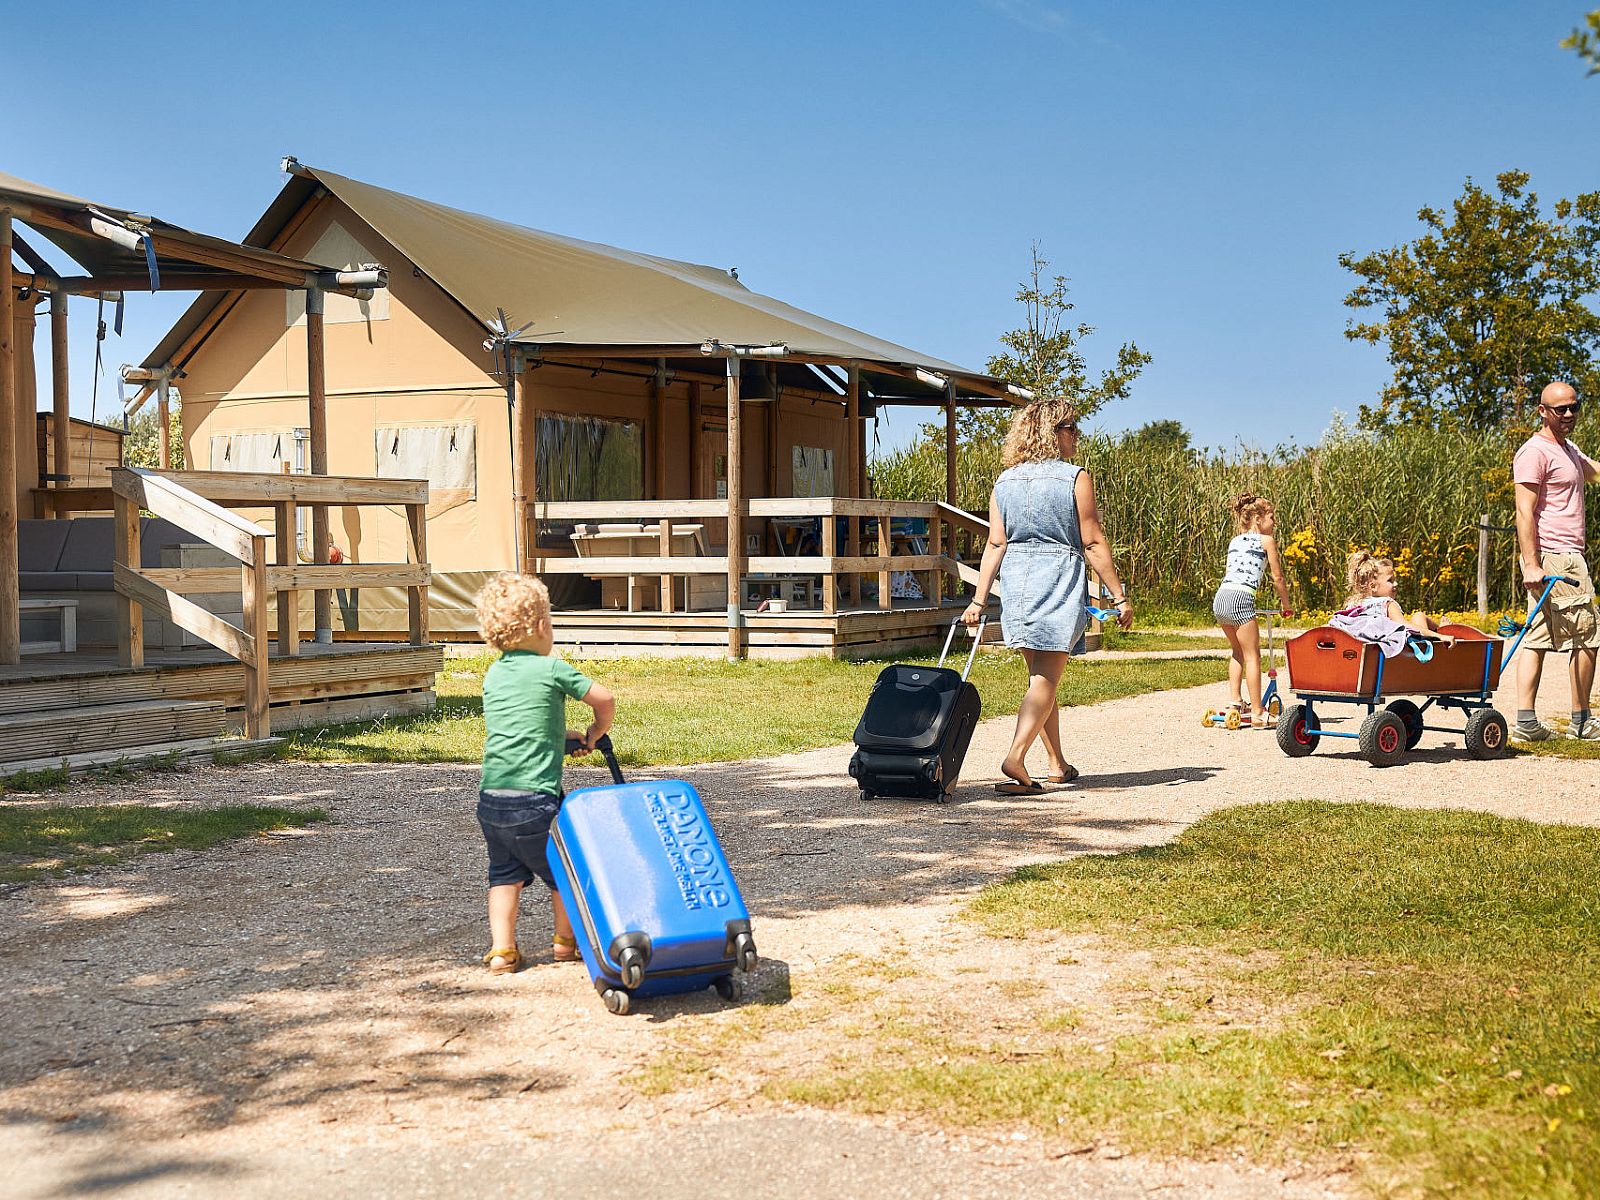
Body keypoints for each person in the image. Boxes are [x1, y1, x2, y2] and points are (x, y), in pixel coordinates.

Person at [961, 398, 1133, 794]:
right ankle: (1016, 757)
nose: (1076, 434)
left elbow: (995, 543)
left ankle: (1057, 762)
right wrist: (1119, 597)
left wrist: (978, 599)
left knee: (1041, 679)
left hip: (1018, 584)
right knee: (1045, 679)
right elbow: (1091, 541)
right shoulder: (1075, 478)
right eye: (1070, 427)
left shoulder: (1005, 481)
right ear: (1050, 433)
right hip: (1056, 580)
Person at [474, 572, 615, 974]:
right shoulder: (551, 667)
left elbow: (522, 725)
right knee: (563, 871)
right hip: (536, 802)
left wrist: (561, 737)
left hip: (493, 800)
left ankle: (502, 950)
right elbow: (604, 698)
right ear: (540, 626)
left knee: (503, 876)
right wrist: (596, 729)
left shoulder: (495, 674)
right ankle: (564, 943)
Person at [1511, 380, 1600, 742]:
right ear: (1542, 411)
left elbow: (1594, 471)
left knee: (1537, 637)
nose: (1568, 414)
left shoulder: (1568, 448)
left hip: (1560, 556)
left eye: (1573, 407)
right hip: (1557, 558)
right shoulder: (1535, 452)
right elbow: (1524, 511)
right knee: (1587, 637)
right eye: (1560, 409)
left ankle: (1526, 722)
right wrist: (1532, 564)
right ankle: (1582, 720)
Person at [1212, 493, 1291, 727]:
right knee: (1252, 656)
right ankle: (1258, 712)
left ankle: (1235, 702)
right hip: (1241, 597)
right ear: (1257, 518)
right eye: (1271, 517)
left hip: (1222, 598)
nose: (1274, 522)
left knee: (1237, 651)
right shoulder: (1267, 541)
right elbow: (1278, 577)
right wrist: (1286, 605)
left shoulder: (1234, 541)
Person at [1333, 550, 1456, 656]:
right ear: (1373, 586)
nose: (1396, 584)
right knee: (1419, 616)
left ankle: (1440, 630)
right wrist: (1439, 636)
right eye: (1390, 581)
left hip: (1359, 646)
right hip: (1404, 653)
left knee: (1416, 618)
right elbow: (1404, 625)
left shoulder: (1353, 606)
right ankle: (1442, 631)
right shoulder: (1386, 604)